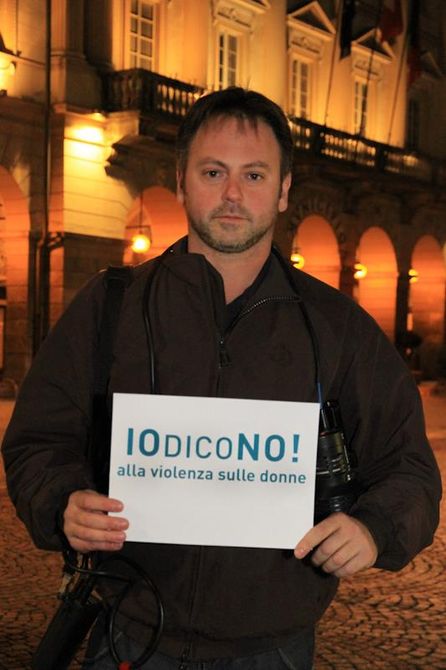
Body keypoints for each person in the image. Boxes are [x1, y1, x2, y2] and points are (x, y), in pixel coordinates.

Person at [2, 87, 441, 670]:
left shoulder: (338, 327)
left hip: (273, 647)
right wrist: (63, 502)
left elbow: (410, 468)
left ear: (283, 190)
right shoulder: (111, 305)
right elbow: (37, 440)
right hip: (128, 630)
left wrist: (373, 528)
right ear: (182, 182)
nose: (233, 194)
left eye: (254, 175)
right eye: (213, 172)